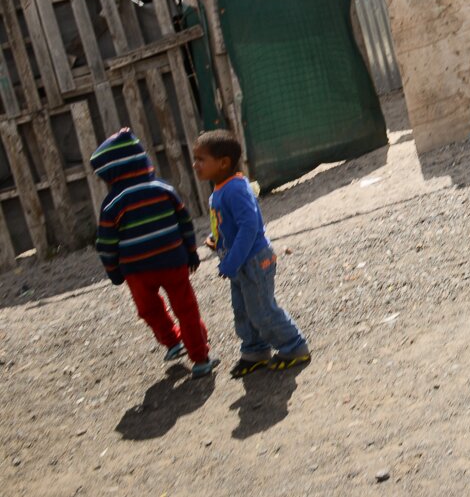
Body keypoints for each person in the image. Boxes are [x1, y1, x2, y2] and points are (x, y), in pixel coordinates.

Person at [90, 128, 219, 378]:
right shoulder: (162, 188)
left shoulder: (114, 203)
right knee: (187, 309)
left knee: (149, 309)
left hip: (139, 271)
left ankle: (183, 347)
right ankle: (190, 350)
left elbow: (106, 243)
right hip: (170, 262)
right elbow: (186, 222)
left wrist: (114, 271)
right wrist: (191, 252)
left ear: (113, 172)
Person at [192, 130, 311, 379]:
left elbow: (249, 227)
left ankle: (294, 347)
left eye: (201, 159)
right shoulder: (221, 188)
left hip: (253, 260)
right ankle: (255, 352)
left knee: (262, 310)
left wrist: (232, 261)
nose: (195, 165)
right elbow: (231, 224)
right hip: (238, 261)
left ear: (223, 162)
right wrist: (217, 240)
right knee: (243, 310)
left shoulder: (235, 188)